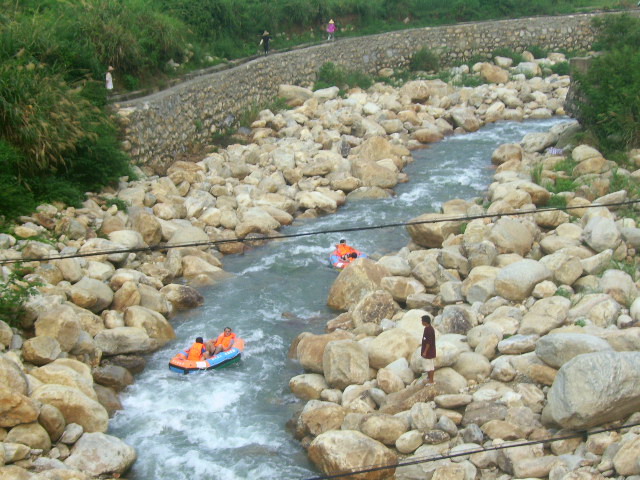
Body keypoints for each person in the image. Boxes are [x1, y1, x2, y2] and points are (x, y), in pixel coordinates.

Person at [421, 314, 436, 384]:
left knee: (430, 366)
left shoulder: (429, 330)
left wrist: (425, 352)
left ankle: (431, 381)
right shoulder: (427, 328)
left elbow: (428, 342)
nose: (421, 322)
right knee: (428, 366)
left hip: (429, 351)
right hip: (428, 351)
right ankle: (429, 378)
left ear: (425, 322)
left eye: (422, 321)